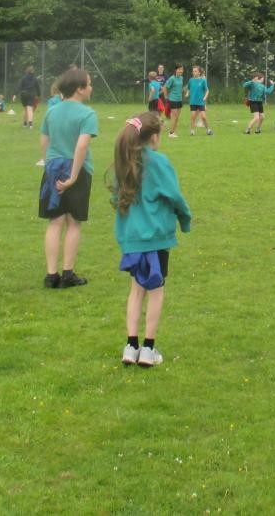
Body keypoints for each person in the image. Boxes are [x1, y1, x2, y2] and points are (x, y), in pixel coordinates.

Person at [111, 112, 193, 367]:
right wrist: (185, 218)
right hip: (156, 239)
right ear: (154, 137)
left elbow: (117, 199)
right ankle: (148, 348)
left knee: (136, 290)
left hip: (132, 239)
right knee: (156, 291)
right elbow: (174, 196)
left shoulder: (123, 162)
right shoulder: (158, 162)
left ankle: (130, 345)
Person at [39, 68, 98, 289]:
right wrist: (73, 176)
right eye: (89, 84)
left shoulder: (51, 112)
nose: (91, 87)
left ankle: (51, 275)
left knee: (54, 222)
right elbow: (82, 145)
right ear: (80, 89)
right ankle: (67, 274)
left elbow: (44, 141)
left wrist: (48, 166)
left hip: (53, 167)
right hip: (77, 170)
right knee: (74, 223)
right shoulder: (87, 114)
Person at [186, 65, 212, 136]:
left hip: (200, 102)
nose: (194, 72)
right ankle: (192, 130)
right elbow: (188, 88)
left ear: (199, 72)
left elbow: (207, 90)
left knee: (203, 117)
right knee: (193, 117)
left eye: (195, 71)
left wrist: (205, 97)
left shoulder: (203, 80)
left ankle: (208, 130)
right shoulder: (191, 80)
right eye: (193, 71)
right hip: (193, 102)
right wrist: (187, 93)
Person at [163, 66, 185, 138]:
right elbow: (165, 87)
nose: (181, 71)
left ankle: (173, 132)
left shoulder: (181, 78)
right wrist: (166, 97)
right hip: (173, 99)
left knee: (177, 117)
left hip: (179, 100)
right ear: (176, 70)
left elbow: (180, 88)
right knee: (174, 117)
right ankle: (171, 133)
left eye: (182, 70)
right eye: (179, 69)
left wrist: (184, 91)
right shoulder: (172, 78)